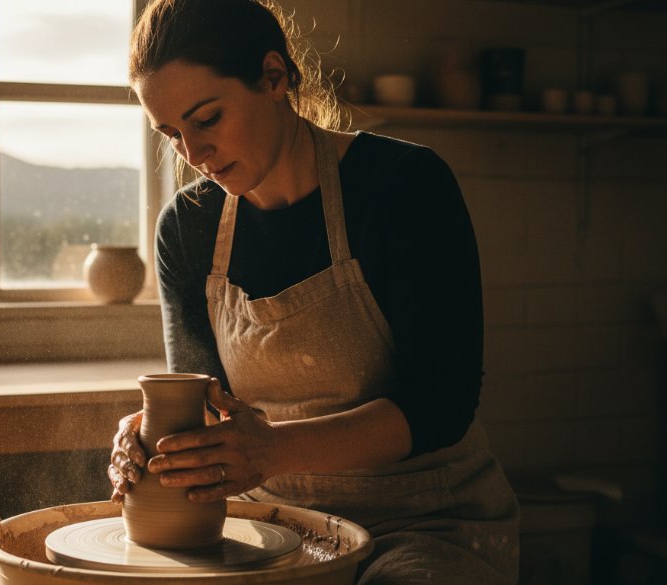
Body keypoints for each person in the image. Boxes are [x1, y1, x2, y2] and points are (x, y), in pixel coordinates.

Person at [107, 0, 520, 583]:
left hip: (424, 523)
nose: (191, 155)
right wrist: (153, 439)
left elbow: (441, 406)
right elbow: (206, 403)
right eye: (171, 133)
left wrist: (269, 449)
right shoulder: (188, 226)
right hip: (274, 524)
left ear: (274, 77)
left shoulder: (403, 186)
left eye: (207, 119)